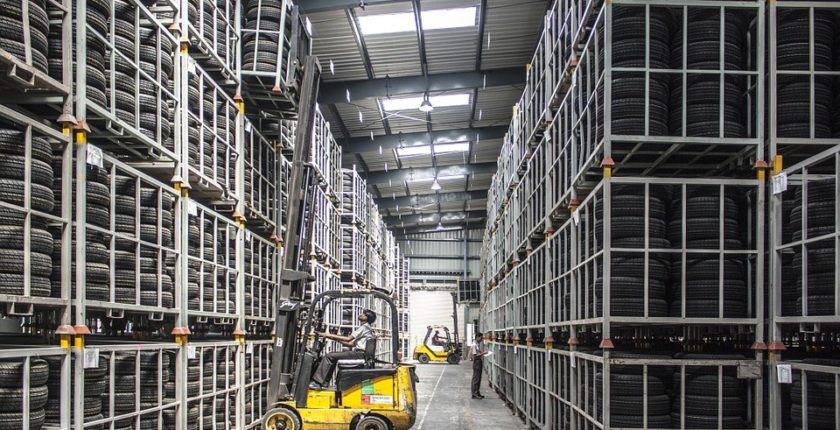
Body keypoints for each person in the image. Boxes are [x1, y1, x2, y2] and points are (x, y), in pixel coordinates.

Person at [309, 309, 376, 390]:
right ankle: (324, 383)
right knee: (332, 356)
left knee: (329, 356)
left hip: (359, 354)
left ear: (366, 318)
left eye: (363, 314)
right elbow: (350, 344)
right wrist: (331, 338)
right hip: (360, 354)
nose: (360, 314)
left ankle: (317, 383)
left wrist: (328, 335)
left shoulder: (364, 327)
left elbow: (348, 339)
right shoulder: (367, 328)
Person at [471, 332, 487, 399]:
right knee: (476, 378)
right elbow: (475, 355)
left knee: (478, 378)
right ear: (477, 337)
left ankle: (477, 392)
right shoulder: (474, 345)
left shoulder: (477, 344)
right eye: (481, 338)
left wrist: (482, 353)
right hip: (476, 362)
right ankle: (474, 393)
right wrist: (483, 353)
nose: (481, 339)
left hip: (478, 362)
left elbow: (478, 352)